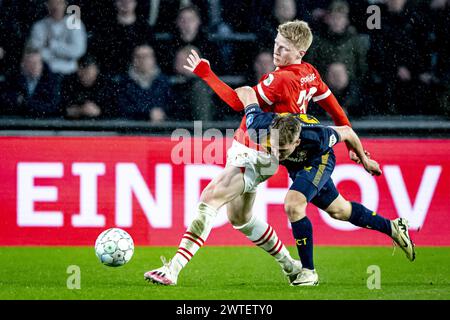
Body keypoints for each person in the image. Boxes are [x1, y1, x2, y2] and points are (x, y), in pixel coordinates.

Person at [144, 20, 362, 286]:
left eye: (283, 48)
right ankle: (291, 266)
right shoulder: (309, 73)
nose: (276, 52)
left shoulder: (278, 78)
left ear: (299, 52)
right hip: (260, 149)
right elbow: (334, 107)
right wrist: (350, 137)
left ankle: (172, 270)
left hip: (256, 149)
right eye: (276, 45)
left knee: (210, 198)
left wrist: (207, 75)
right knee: (240, 218)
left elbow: (238, 101)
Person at [236, 86, 416, 285]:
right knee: (340, 211)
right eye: (275, 147)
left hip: (318, 160)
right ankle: (392, 227)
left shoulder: (316, 136)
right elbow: (246, 92)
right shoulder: (259, 127)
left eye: (283, 150)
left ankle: (308, 272)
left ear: (297, 142)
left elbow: (347, 132)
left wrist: (364, 160)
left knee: (293, 204)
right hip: (297, 167)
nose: (276, 155)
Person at [28, 0, 87, 76]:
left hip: (70, 74)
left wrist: (52, 45)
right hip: (46, 74)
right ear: (47, 5)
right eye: (52, 3)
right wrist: (66, 53)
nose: (56, 7)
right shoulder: (39, 26)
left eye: (59, 3)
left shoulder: (74, 22)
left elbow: (78, 50)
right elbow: (36, 53)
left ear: (65, 4)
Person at [116, 44, 172, 122]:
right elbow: (122, 108)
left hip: (162, 127)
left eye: (146, 56)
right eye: (138, 57)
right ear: (133, 59)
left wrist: (162, 113)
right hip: (132, 128)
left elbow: (172, 106)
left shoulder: (164, 81)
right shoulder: (124, 83)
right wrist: (147, 114)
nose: (142, 60)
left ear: (153, 59)